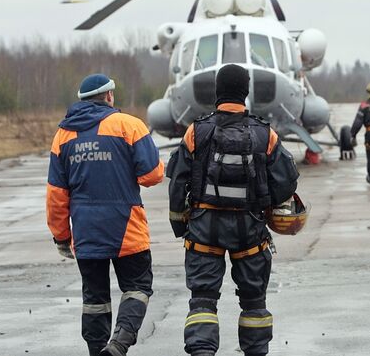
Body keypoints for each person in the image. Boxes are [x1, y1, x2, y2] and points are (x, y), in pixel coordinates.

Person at [166, 64, 300, 356]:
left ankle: (202, 351)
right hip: (250, 233)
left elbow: (177, 184)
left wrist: (181, 225)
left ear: (217, 91)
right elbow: (286, 183)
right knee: (254, 303)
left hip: (204, 231)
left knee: (202, 301)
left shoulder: (195, 132)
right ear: (246, 92)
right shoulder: (267, 135)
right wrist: (265, 208)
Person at [46, 73, 164, 356]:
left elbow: (56, 194)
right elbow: (152, 175)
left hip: (86, 231)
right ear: (109, 96)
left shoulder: (63, 136)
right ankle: (119, 344)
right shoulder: (129, 125)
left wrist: (62, 236)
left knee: (95, 299)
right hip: (126, 227)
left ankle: (97, 349)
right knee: (137, 287)